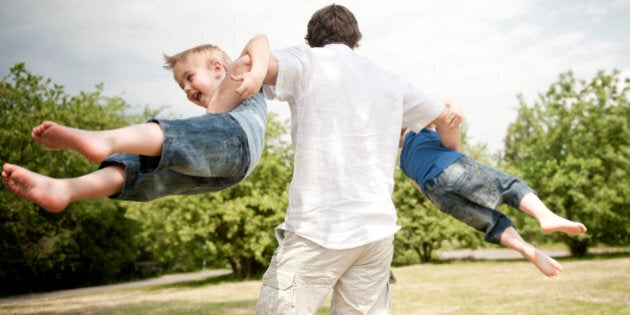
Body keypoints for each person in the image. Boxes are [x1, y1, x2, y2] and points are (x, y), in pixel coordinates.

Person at [255, 4, 461, 314]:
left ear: (311, 40)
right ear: (357, 40)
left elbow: (254, 69)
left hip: (318, 228)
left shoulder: (305, 59)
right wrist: (451, 160)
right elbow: (448, 119)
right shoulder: (391, 81)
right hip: (375, 232)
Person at [2, 35, 272, 213]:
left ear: (216, 68)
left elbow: (258, 42)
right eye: (182, 86)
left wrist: (257, 74)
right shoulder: (208, 124)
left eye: (190, 77)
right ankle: (66, 189)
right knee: (143, 167)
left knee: (173, 135)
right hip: (227, 172)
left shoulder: (241, 78)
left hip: (238, 144)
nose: (188, 89)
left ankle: (106, 139)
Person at [399, 105, 587, 277]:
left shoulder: (404, 163)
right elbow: (444, 111)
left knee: (492, 224)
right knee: (510, 187)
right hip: (452, 167)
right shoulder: (418, 129)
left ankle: (525, 248)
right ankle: (545, 216)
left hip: (437, 194)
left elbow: (421, 189)